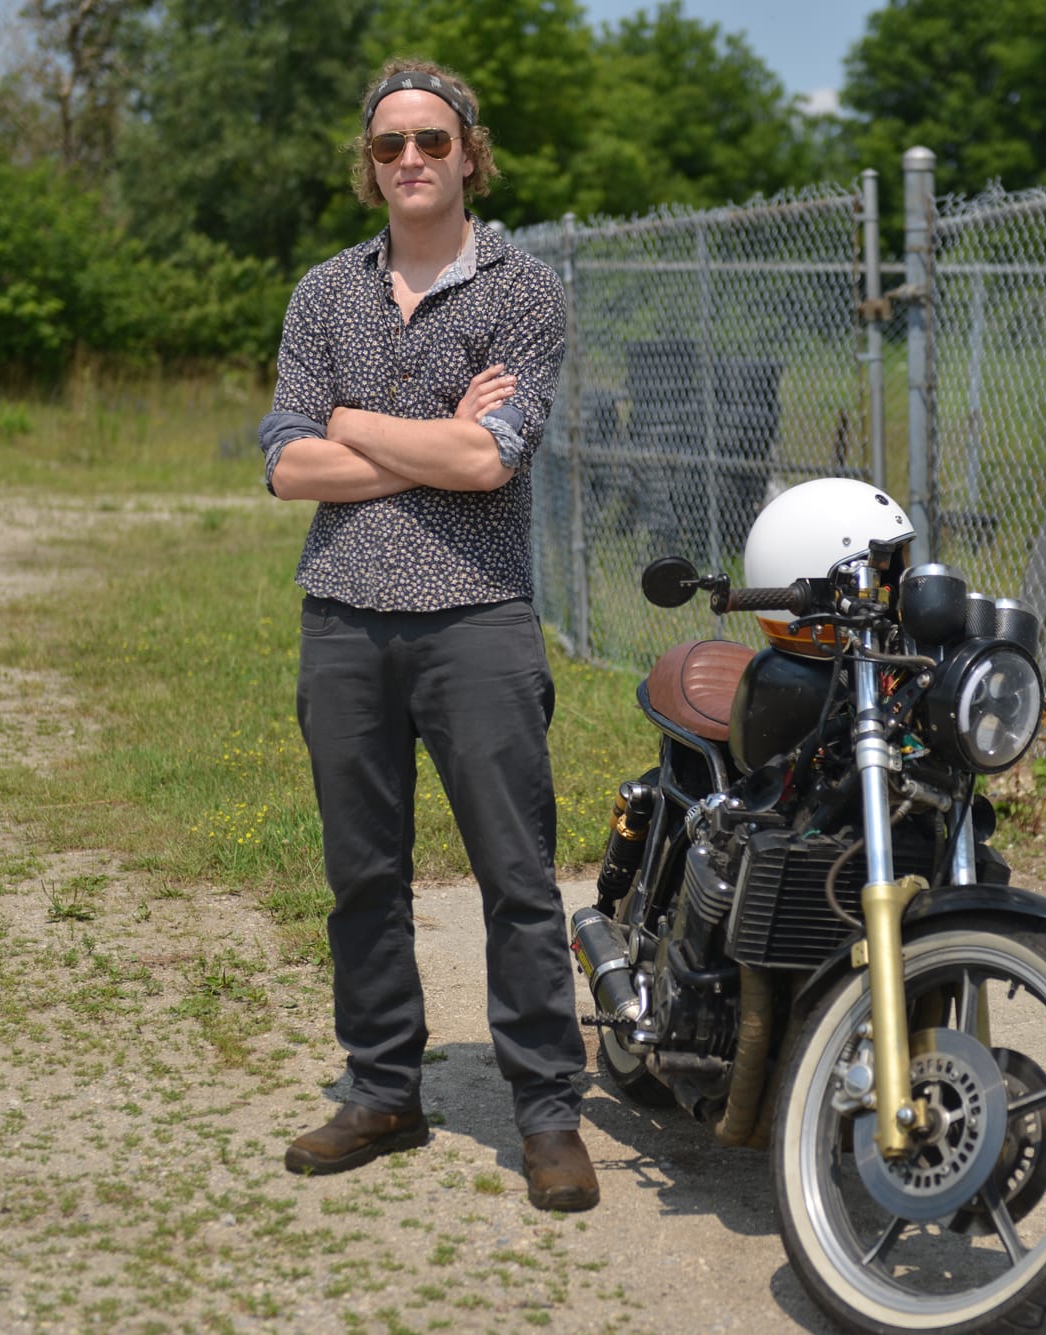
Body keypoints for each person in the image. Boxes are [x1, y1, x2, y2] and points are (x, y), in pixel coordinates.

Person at [256, 57, 597, 1213]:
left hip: (477, 619)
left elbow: (490, 457)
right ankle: (381, 1090)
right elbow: (284, 466)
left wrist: (349, 421)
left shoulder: (523, 290)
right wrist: (422, 437)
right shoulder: (323, 294)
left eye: (432, 141)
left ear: (468, 154)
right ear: (371, 162)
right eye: (390, 142)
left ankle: (546, 1111)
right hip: (344, 619)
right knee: (362, 875)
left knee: (516, 877)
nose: (410, 158)